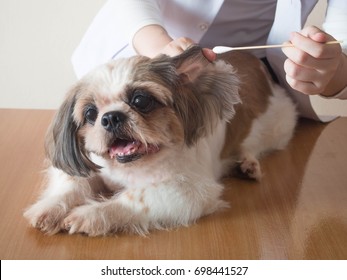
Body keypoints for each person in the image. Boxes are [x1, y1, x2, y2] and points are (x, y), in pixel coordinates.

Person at [72, 0, 347, 121]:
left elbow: (342, 51)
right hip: (137, 53)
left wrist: (329, 71)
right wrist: (160, 50)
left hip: (247, 88)